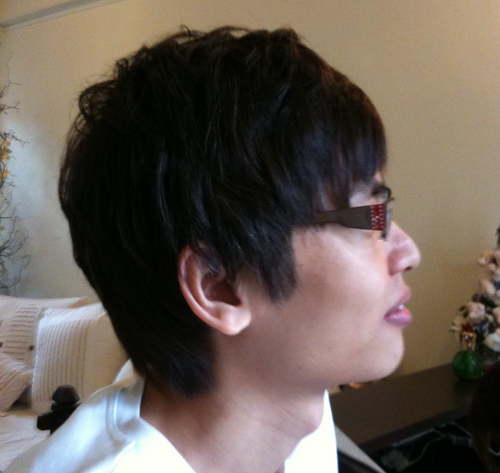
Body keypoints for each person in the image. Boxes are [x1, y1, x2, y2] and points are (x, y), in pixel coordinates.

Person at [7, 26, 420, 473]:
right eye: (369, 217)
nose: (409, 253)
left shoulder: (293, 403)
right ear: (219, 286)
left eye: (385, 210)